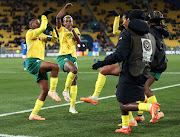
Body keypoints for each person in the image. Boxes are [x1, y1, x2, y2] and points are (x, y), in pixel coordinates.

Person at [92, 9, 158, 134]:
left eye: (125, 20)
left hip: (130, 72)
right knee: (120, 94)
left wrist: (102, 63)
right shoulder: (149, 36)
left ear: (130, 20)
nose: (123, 23)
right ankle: (126, 126)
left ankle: (150, 107)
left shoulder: (128, 33)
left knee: (122, 103)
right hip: (144, 73)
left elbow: (119, 55)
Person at [80, 11, 130, 105]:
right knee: (104, 71)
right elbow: (115, 31)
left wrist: (103, 62)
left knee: (127, 92)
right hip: (129, 62)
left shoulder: (130, 32)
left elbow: (119, 53)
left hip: (131, 64)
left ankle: (147, 109)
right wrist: (116, 17)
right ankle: (94, 97)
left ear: (128, 20)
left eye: (123, 19)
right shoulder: (133, 30)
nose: (122, 23)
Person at [134, 11, 169, 123]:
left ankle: (158, 112)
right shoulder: (156, 30)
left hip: (155, 65)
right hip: (158, 63)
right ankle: (139, 114)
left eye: (147, 18)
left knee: (144, 87)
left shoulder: (150, 31)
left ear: (151, 21)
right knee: (140, 86)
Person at [26, 10, 61, 120]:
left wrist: (53, 31)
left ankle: (33, 114)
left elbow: (55, 39)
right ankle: (53, 90)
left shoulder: (41, 35)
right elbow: (41, 27)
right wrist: (44, 16)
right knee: (55, 66)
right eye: (38, 22)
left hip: (39, 63)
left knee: (44, 91)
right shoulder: (30, 33)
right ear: (32, 24)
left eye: (40, 22)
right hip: (32, 61)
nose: (40, 24)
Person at [56, 3, 81, 114]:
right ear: (63, 23)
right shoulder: (60, 29)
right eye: (66, 21)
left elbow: (79, 41)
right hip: (63, 57)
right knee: (74, 70)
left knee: (74, 81)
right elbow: (57, 17)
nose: (68, 22)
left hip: (73, 57)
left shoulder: (75, 30)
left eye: (69, 21)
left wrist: (73, 31)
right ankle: (65, 91)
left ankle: (72, 107)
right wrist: (65, 8)